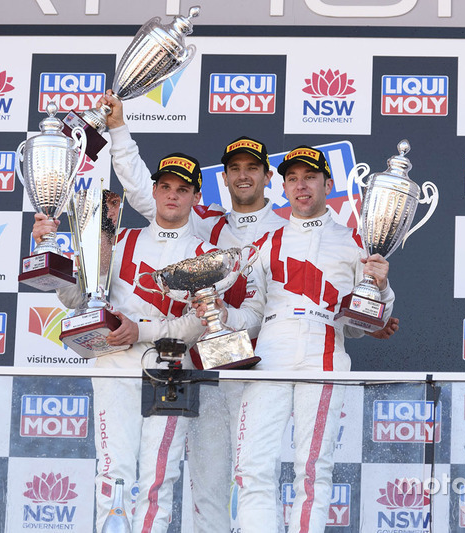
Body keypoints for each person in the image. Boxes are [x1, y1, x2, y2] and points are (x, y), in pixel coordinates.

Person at [100, 91, 399, 532]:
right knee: (212, 482)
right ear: (225, 178)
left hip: (267, 360)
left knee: (293, 469)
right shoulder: (208, 223)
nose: (243, 176)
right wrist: (119, 129)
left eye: (252, 168)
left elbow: (340, 303)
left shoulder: (287, 230)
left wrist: (370, 308)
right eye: (234, 169)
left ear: (265, 177)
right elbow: (148, 192)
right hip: (214, 365)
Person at [33, 153, 215, 533]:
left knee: (158, 477)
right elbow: (77, 299)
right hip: (115, 365)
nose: (171, 196)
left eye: (182, 190)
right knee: (113, 469)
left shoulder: (205, 255)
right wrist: (47, 250)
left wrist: (141, 330)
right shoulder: (116, 239)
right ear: (152, 190)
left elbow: (199, 325)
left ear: (196, 198)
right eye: (164, 187)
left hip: (172, 372)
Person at [221, 145, 395, 533]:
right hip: (270, 352)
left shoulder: (356, 242)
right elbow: (252, 315)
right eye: (293, 179)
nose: (301, 186)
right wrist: (219, 315)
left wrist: (381, 289)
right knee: (251, 466)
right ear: (283, 187)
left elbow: (362, 321)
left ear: (327, 184)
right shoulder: (268, 243)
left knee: (313, 469)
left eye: (310, 177)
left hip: (325, 350)